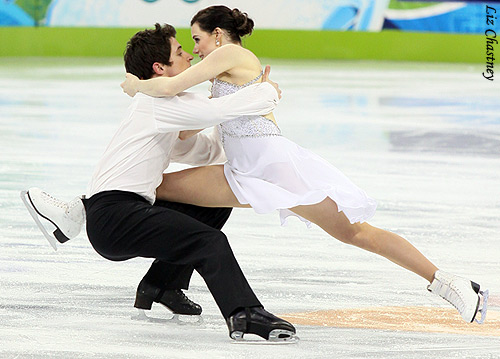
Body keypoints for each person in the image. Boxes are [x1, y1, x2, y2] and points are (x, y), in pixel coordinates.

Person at [120, 5, 488, 324]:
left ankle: (449, 283)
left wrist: (136, 85)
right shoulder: (223, 72)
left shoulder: (227, 54)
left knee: (355, 233)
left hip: (272, 165)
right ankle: (123, 243)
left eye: (197, 40)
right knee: (156, 186)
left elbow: (169, 88)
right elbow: (189, 130)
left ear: (217, 34)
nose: (196, 50)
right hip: (241, 171)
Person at [23, 23, 297, 342]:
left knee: (212, 205)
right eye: (179, 53)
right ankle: (244, 314)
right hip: (117, 217)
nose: (189, 58)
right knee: (210, 243)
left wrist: (233, 131)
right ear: (160, 68)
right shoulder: (159, 102)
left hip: (120, 213)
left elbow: (201, 150)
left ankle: (163, 285)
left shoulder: (158, 109)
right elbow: (224, 109)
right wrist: (264, 91)